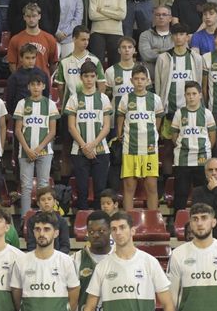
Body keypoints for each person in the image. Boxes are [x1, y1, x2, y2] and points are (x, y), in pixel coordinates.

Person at [83, 211, 174, 311]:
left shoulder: (149, 262)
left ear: (132, 230)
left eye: (122, 227)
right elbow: (89, 309)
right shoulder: (103, 266)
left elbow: (168, 304)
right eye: (114, 229)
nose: (118, 232)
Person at [7, 211, 79, 311]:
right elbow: (17, 296)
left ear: (56, 233)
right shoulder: (22, 261)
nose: (42, 233)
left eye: (47, 229)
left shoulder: (66, 261)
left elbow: (74, 295)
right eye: (37, 229)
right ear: (33, 232)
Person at [66, 61, 113, 210]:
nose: (89, 80)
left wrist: (93, 145)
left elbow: (106, 127)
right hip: (79, 151)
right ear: (81, 77)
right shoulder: (74, 99)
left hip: (101, 150)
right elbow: (71, 126)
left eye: (92, 76)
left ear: (96, 77)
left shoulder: (103, 98)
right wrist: (84, 146)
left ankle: (100, 222)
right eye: (86, 76)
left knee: (100, 190)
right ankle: (82, 223)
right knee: (82, 190)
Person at [118, 64, 165, 211]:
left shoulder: (155, 99)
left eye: (142, 79)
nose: (139, 81)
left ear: (148, 81)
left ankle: (153, 222)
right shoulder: (125, 99)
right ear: (131, 80)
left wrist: (153, 134)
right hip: (130, 148)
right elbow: (120, 117)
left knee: (151, 187)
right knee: (129, 187)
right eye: (136, 79)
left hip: (150, 149)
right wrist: (119, 134)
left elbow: (158, 119)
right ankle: (128, 222)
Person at [13, 73, 59, 215]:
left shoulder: (50, 104)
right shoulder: (22, 103)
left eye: (38, 84)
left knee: (43, 185)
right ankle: (25, 219)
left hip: (45, 152)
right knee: (26, 186)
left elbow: (52, 131)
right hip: (25, 152)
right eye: (33, 84)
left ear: (44, 86)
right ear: (28, 86)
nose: (36, 87)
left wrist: (38, 148)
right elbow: (17, 130)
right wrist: (27, 149)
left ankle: (45, 216)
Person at [171, 81, 216, 211]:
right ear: (184, 95)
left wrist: (206, 149)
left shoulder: (207, 113)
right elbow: (174, 135)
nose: (191, 97)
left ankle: (203, 220)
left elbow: (212, 135)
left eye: (194, 94)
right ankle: (177, 222)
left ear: (200, 95)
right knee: (181, 193)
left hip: (202, 159)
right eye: (188, 94)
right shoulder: (179, 113)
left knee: (202, 194)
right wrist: (182, 146)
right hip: (182, 159)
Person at [155, 25, 202, 117]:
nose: (178, 37)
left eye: (181, 34)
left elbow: (198, 82)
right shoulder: (163, 58)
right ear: (172, 37)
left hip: (191, 108)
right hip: (169, 109)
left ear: (187, 37)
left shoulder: (196, 58)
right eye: (175, 34)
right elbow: (158, 84)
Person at [88, 0, 127, 65]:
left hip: (116, 32)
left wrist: (102, 10)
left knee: (115, 63)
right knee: (97, 63)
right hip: (97, 32)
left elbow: (122, 15)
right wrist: (113, 14)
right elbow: (92, 15)